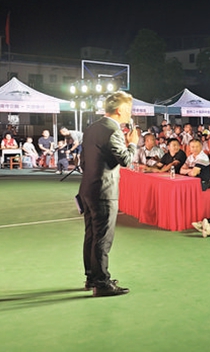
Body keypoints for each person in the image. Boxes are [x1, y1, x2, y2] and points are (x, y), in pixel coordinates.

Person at [78, 91, 137, 297]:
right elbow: (126, 160)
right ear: (119, 110)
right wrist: (133, 143)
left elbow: (83, 161)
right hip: (104, 191)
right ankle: (101, 283)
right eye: (128, 109)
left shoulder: (92, 128)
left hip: (88, 188)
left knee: (91, 235)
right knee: (102, 238)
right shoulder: (113, 131)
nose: (130, 113)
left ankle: (92, 277)